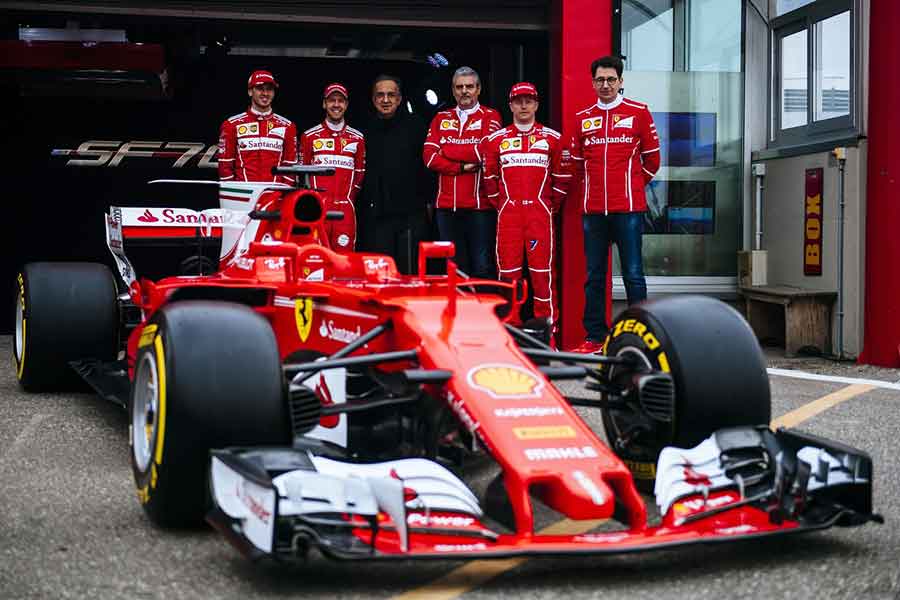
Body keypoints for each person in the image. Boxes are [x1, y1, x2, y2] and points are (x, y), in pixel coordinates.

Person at [569, 55, 660, 354]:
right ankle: (595, 337)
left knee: (633, 274)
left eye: (611, 79)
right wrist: (592, 192)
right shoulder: (583, 118)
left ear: (621, 82)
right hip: (593, 211)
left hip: (629, 210)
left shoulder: (638, 112)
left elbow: (653, 160)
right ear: (592, 82)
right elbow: (578, 165)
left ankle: (642, 335)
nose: (605, 85)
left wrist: (632, 187)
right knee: (594, 276)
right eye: (600, 80)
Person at [479, 82, 570, 338]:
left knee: (543, 278)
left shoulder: (552, 138)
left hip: (539, 217)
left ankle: (548, 337)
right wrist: (506, 206)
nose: (523, 106)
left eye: (528, 100)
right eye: (518, 101)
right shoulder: (496, 141)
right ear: (510, 105)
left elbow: (562, 179)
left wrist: (546, 207)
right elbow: (490, 181)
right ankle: (509, 335)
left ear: (537, 104)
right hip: (508, 217)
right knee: (508, 279)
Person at [423, 66, 502, 279]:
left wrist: (447, 150)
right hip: (447, 208)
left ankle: (483, 312)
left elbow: (484, 151)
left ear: (478, 89)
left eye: (469, 87)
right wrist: (460, 166)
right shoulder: (440, 118)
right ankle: (458, 313)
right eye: (459, 87)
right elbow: (429, 157)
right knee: (454, 269)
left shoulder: (491, 116)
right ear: (453, 90)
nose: (464, 91)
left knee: (482, 266)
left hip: (480, 207)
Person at [356, 75, 431, 273]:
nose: (386, 100)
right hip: (377, 217)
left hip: (411, 216)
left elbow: (428, 168)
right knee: (380, 273)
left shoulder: (417, 127)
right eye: (380, 95)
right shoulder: (364, 130)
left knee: (410, 272)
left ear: (399, 99)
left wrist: (428, 204)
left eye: (391, 95)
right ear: (373, 100)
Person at [299, 83, 366, 253]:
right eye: (331, 100)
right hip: (317, 209)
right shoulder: (309, 136)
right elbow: (301, 175)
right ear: (324, 103)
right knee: (314, 257)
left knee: (343, 261)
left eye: (341, 100)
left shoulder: (357, 138)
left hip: (345, 209)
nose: (336, 104)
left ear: (347, 104)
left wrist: (347, 197)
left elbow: (359, 176)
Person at [218, 70, 297, 183]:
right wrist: (234, 192)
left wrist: (282, 193)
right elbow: (225, 166)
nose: (265, 93)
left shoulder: (288, 126)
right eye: (260, 88)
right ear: (250, 91)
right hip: (243, 194)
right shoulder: (231, 125)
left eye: (269, 89)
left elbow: (291, 166)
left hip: (275, 194)